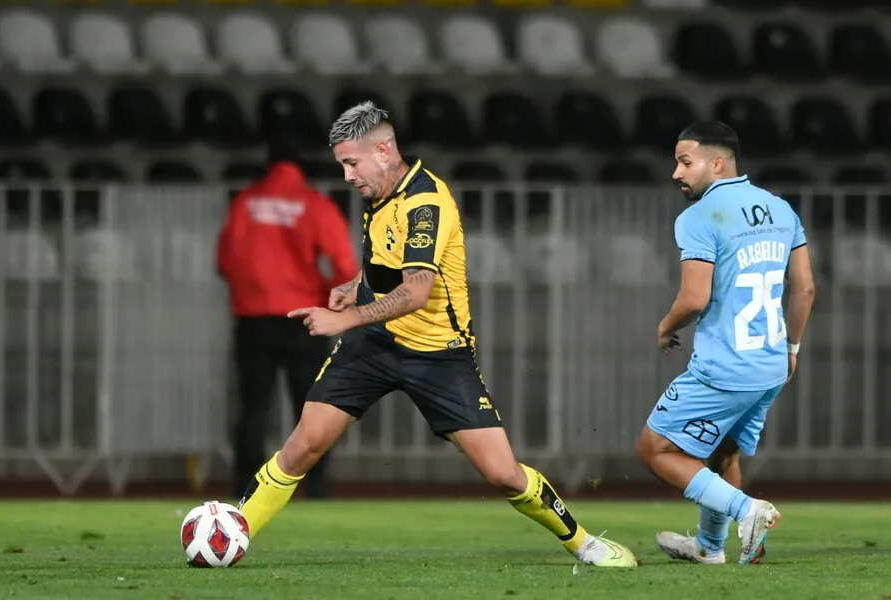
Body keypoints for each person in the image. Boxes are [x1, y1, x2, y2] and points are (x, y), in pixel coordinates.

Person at [236, 101, 637, 568]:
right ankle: (232, 533)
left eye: (350, 163)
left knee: (504, 475)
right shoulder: (378, 194)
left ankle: (586, 544)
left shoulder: (427, 201)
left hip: (439, 355)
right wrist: (355, 287)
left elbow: (417, 291)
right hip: (374, 345)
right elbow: (388, 264)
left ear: (383, 151)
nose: (346, 176)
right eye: (341, 165)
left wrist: (346, 318)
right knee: (302, 446)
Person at [635, 121, 816, 565]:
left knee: (655, 449)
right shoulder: (779, 208)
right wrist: (792, 348)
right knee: (723, 450)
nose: (676, 173)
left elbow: (694, 299)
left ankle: (746, 510)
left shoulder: (700, 216)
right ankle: (710, 547)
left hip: (726, 367)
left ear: (717, 163)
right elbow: (806, 289)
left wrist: (665, 326)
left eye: (685, 161)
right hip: (771, 363)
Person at [218, 138, 359, 499]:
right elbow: (344, 267)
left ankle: (245, 489)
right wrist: (329, 294)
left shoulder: (245, 203)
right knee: (313, 409)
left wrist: (253, 292)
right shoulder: (315, 206)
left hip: (253, 319)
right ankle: (314, 487)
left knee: (254, 407)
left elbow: (224, 262)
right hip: (304, 319)